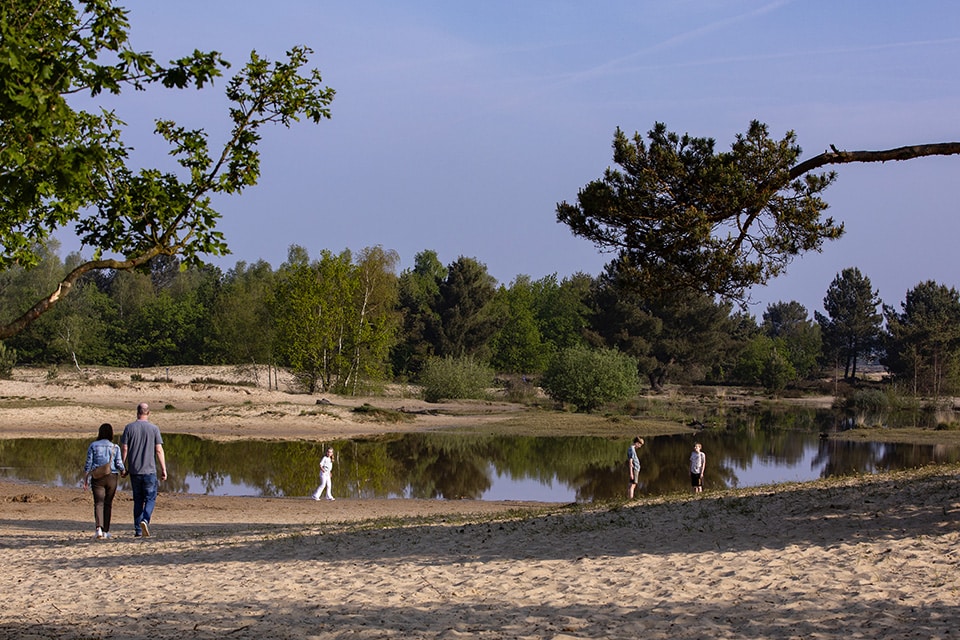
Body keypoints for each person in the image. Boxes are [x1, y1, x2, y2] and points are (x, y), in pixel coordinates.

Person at [120, 402, 167, 537]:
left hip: (135, 470)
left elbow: (124, 448)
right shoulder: (154, 428)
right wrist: (164, 469)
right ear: (148, 413)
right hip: (149, 470)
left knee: (138, 500)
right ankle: (145, 519)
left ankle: (138, 530)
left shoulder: (129, 428)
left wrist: (122, 467)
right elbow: (158, 450)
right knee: (150, 498)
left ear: (137, 412)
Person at [82, 423, 125, 540]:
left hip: (97, 477)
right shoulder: (115, 447)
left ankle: (98, 529)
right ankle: (106, 531)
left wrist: (85, 479)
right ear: (111, 433)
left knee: (98, 503)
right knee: (108, 504)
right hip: (112, 477)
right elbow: (119, 463)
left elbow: (88, 464)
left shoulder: (93, 446)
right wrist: (123, 471)